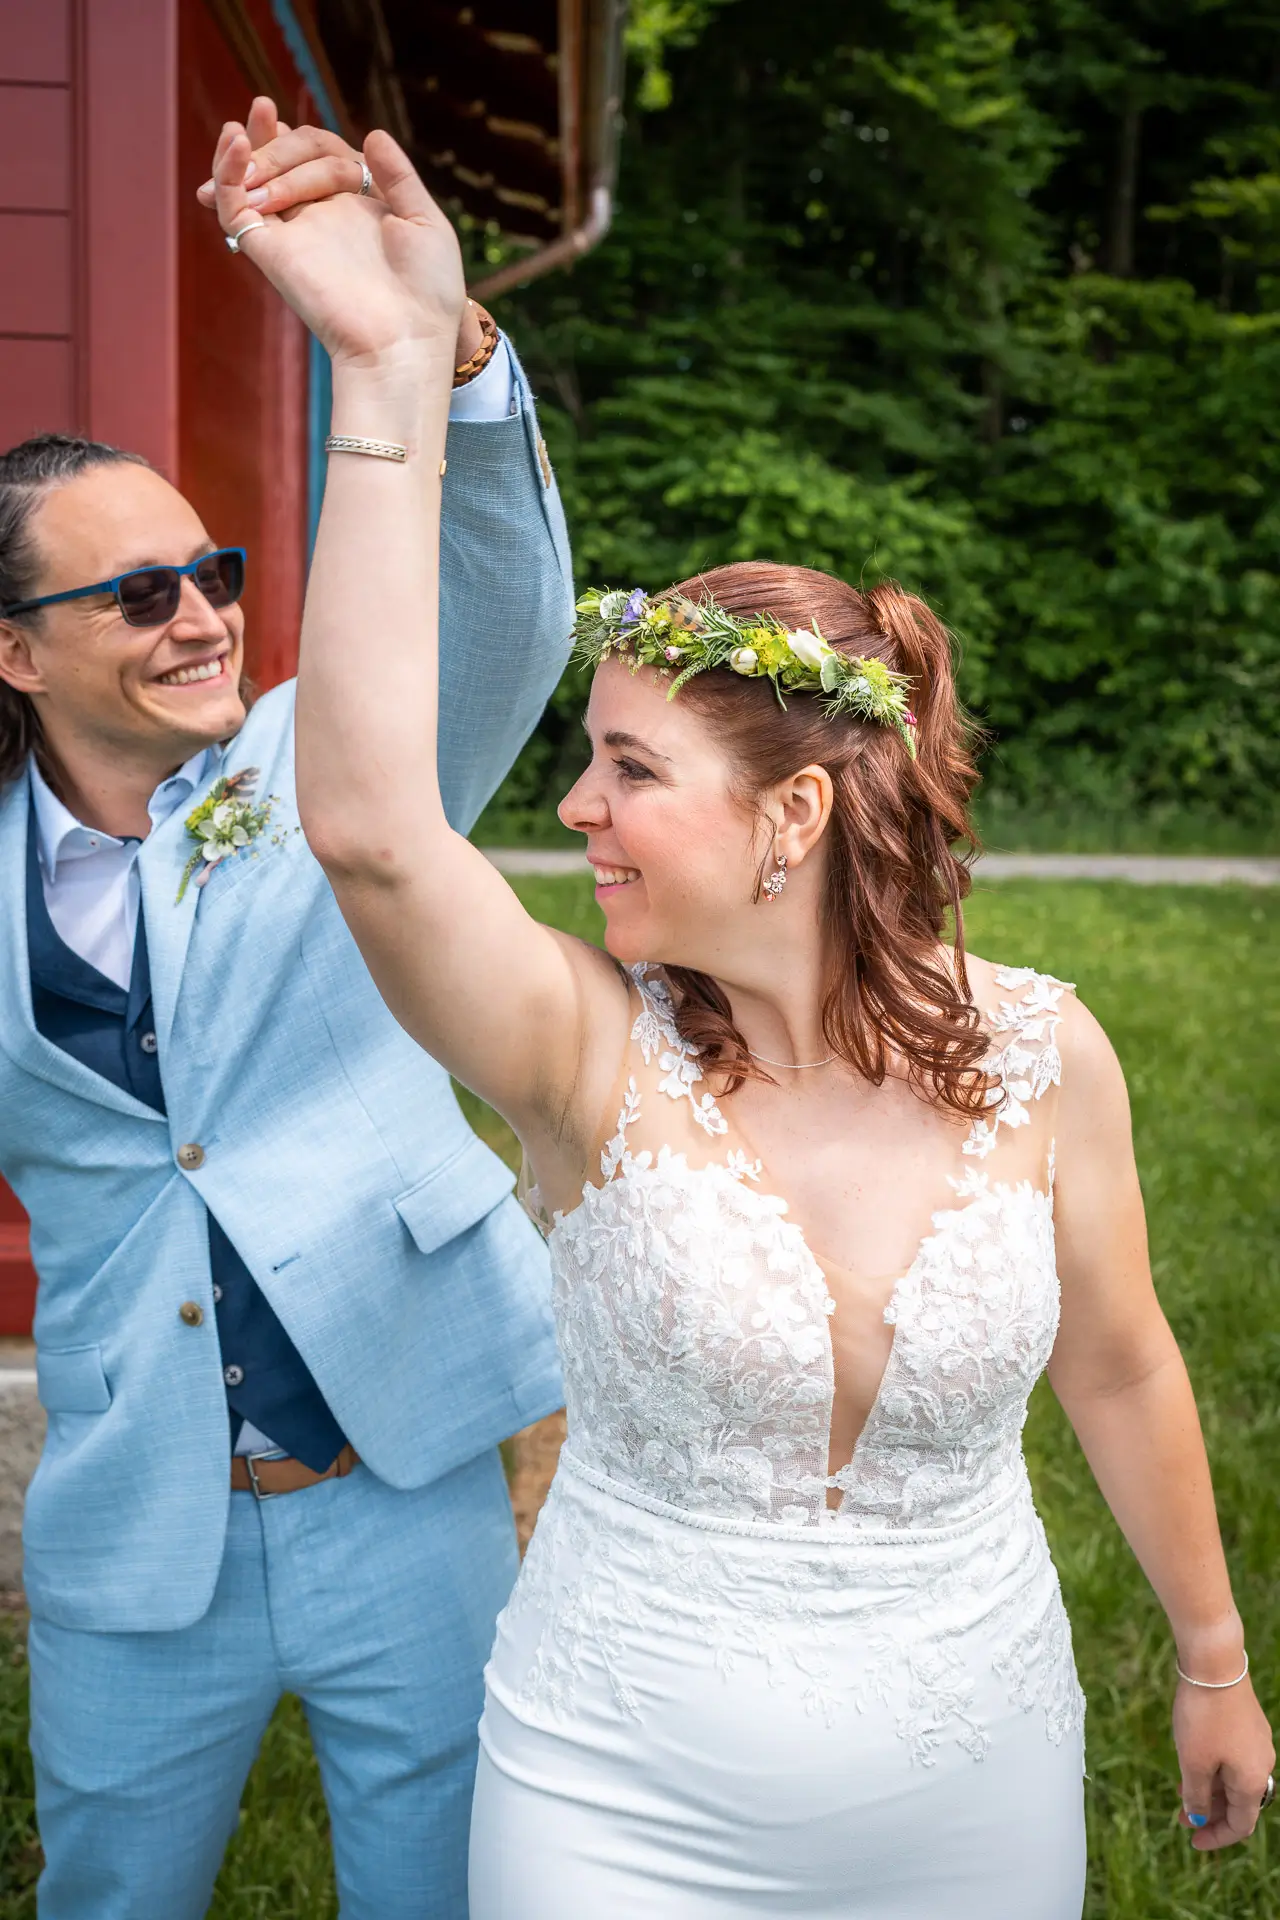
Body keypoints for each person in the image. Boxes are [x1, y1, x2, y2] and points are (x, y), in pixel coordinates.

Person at [210, 123, 1276, 1919]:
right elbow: (374, 831)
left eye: (627, 767)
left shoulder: (1043, 1054)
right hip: (616, 1801)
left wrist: (1214, 1658)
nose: (574, 809)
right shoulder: (579, 1048)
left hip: (977, 1776)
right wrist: (391, 370)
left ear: (792, 819)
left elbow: (1119, 1359)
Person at [0, 100, 570, 1920]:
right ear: (17, 654)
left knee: (445, 1885)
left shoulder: (329, 770)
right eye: (139, 592)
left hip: (406, 1470)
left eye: (216, 575)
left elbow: (498, 622)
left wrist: (443, 350)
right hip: (131, 1510)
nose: (203, 618)